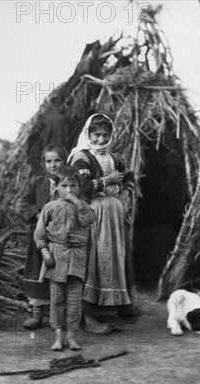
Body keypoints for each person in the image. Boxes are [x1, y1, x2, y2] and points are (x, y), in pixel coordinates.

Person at [68, 113, 137, 332]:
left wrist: (124, 196)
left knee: (110, 260)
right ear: (88, 134)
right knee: (94, 261)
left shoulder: (112, 157)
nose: (100, 139)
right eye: (96, 135)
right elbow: (84, 187)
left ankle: (108, 312)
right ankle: (89, 318)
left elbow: (129, 177)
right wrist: (107, 181)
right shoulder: (82, 157)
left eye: (105, 135)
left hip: (112, 216)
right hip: (92, 214)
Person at [33, 166, 96, 351]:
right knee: (57, 299)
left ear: (79, 187)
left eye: (73, 186)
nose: (69, 190)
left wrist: (77, 202)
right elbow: (39, 235)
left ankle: (72, 337)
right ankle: (58, 337)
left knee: (75, 301)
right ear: (56, 187)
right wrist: (45, 253)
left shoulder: (83, 206)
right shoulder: (50, 207)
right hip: (56, 258)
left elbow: (89, 219)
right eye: (65, 185)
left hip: (77, 258)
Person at [15, 144, 68, 330]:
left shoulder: (70, 182)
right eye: (49, 161)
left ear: (64, 161)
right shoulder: (36, 182)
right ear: (44, 163)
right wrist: (39, 215)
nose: (53, 165)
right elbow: (22, 203)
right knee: (38, 271)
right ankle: (37, 312)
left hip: (63, 237)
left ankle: (57, 315)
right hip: (40, 236)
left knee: (59, 274)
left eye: (57, 160)